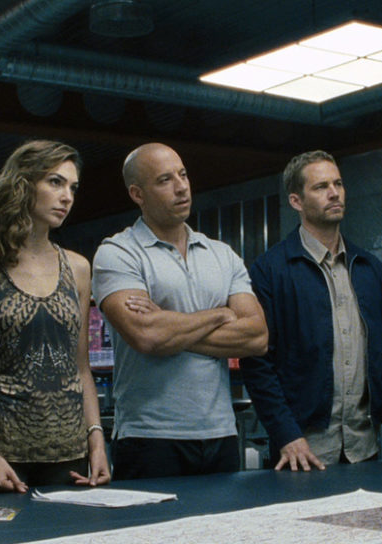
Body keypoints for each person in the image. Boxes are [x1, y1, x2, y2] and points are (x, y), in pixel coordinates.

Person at [242, 151, 382, 471]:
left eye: (338, 184)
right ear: (296, 201)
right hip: (300, 452)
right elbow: (257, 364)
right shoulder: (271, 270)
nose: (334, 193)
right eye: (321, 186)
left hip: (364, 448)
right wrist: (285, 434)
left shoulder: (369, 268)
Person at [93, 143, 268, 479]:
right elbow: (147, 337)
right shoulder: (118, 252)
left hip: (221, 434)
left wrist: (169, 326)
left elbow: (257, 337)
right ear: (137, 194)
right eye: (164, 180)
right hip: (148, 438)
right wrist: (219, 315)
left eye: (183, 175)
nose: (181, 187)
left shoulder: (222, 254)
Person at [0, 140, 111, 493]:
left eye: (73, 187)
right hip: (1, 454)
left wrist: (97, 441)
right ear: (22, 184)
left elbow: (81, 368)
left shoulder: (78, 268)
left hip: (70, 453)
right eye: (55, 182)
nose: (67, 196)